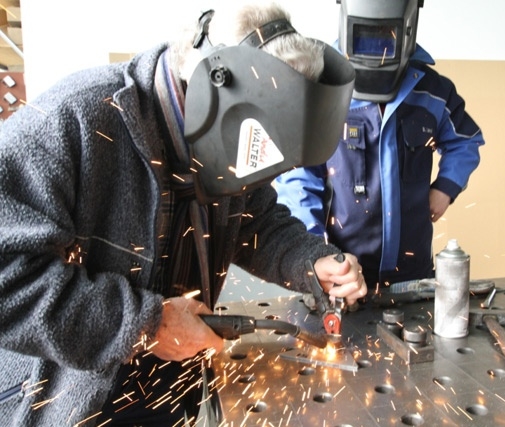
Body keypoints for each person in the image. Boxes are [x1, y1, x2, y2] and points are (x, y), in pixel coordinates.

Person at [0, 2, 366, 426]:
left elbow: (256, 221)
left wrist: (311, 261)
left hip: (173, 389)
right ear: (214, 91)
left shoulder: (233, 134)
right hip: (70, 402)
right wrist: (147, 324)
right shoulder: (78, 118)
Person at [275, 0, 485, 293]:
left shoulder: (433, 91)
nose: (378, 52)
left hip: (412, 270)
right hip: (345, 274)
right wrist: (315, 255)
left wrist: (445, 188)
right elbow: (298, 179)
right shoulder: (321, 90)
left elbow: (465, 141)